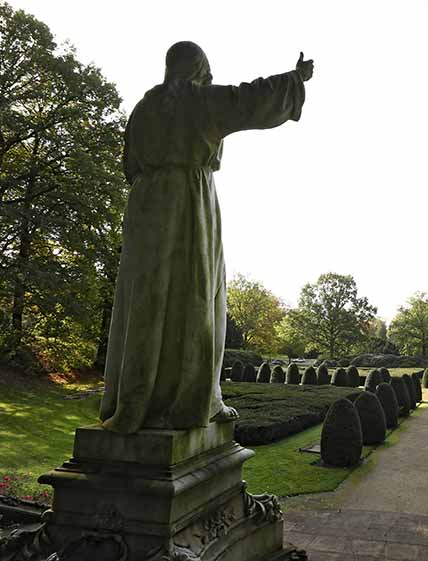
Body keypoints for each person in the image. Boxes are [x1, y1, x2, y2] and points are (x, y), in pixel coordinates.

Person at [99, 41, 314, 434]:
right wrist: (295, 79)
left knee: (144, 300)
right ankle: (195, 400)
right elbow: (251, 99)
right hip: (188, 203)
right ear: (198, 68)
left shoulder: (144, 109)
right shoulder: (198, 102)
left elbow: (128, 164)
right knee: (194, 296)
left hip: (145, 207)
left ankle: (134, 402)